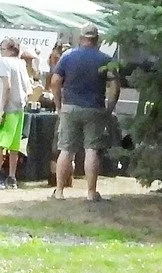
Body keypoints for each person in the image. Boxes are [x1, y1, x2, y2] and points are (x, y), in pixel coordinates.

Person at [50, 23, 118, 202]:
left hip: (70, 108)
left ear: (81, 38)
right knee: (92, 150)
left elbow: (55, 81)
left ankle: (59, 191)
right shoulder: (106, 59)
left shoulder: (68, 56)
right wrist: (109, 108)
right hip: (94, 109)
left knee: (66, 150)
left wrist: (58, 104)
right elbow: (114, 86)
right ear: (97, 40)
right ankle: (90, 192)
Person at [0, 38, 30, 189]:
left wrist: (1, 110)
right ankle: (12, 177)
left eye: (2, 49)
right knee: (14, 145)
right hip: (19, 108)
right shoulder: (21, 64)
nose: (0, 51)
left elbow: (7, 86)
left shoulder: (4, 62)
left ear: (9, 50)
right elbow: (29, 88)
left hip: (7, 108)